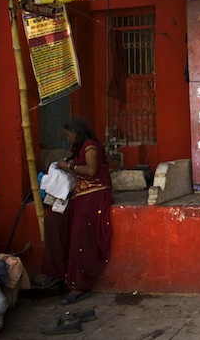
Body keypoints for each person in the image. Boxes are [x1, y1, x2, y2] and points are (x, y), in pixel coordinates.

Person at [40, 117, 113, 305]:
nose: (68, 139)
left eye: (69, 135)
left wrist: (68, 166)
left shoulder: (90, 147)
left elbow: (91, 170)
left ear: (77, 133)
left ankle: (79, 285)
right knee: (53, 223)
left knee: (80, 235)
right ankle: (56, 273)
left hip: (95, 192)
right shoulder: (79, 148)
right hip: (79, 193)